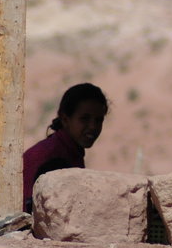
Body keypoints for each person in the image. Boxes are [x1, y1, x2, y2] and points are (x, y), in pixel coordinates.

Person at [22, 83, 109, 213]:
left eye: (98, 120)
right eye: (84, 119)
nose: (93, 126)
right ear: (65, 119)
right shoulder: (49, 155)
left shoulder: (72, 151)